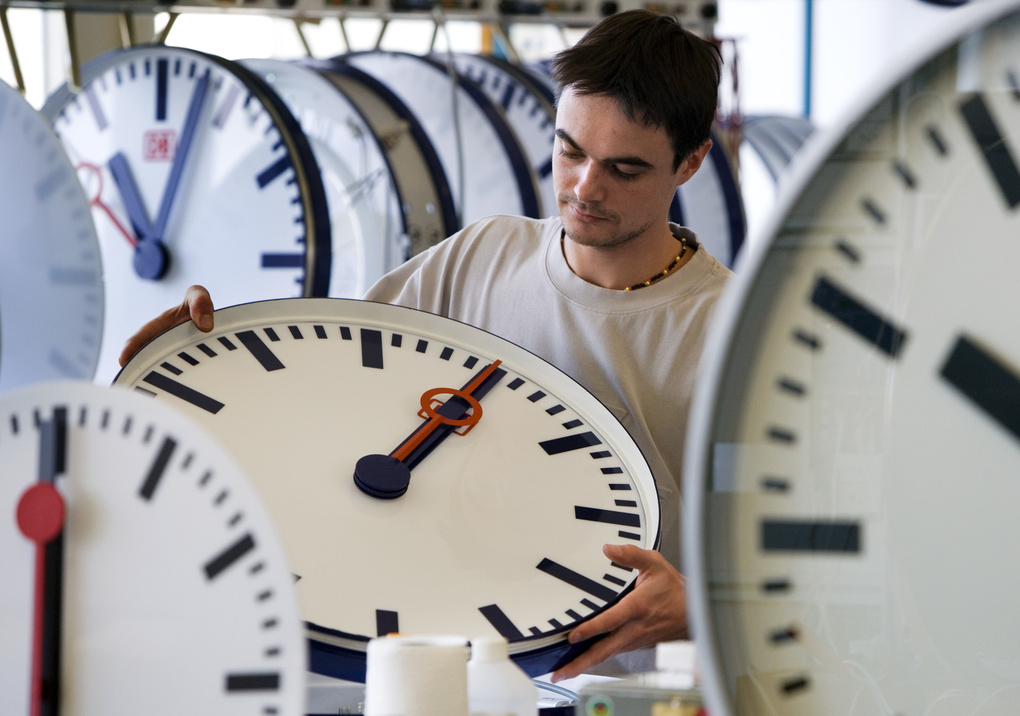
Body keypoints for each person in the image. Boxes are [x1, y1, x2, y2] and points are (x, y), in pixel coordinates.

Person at [120, 10, 731, 681]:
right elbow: (318, 382)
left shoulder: (728, 331)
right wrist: (190, 363)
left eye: (624, 167)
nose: (585, 187)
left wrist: (704, 605)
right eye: (570, 150)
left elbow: (806, 563)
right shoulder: (481, 257)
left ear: (692, 161)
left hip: (626, 703)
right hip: (445, 675)